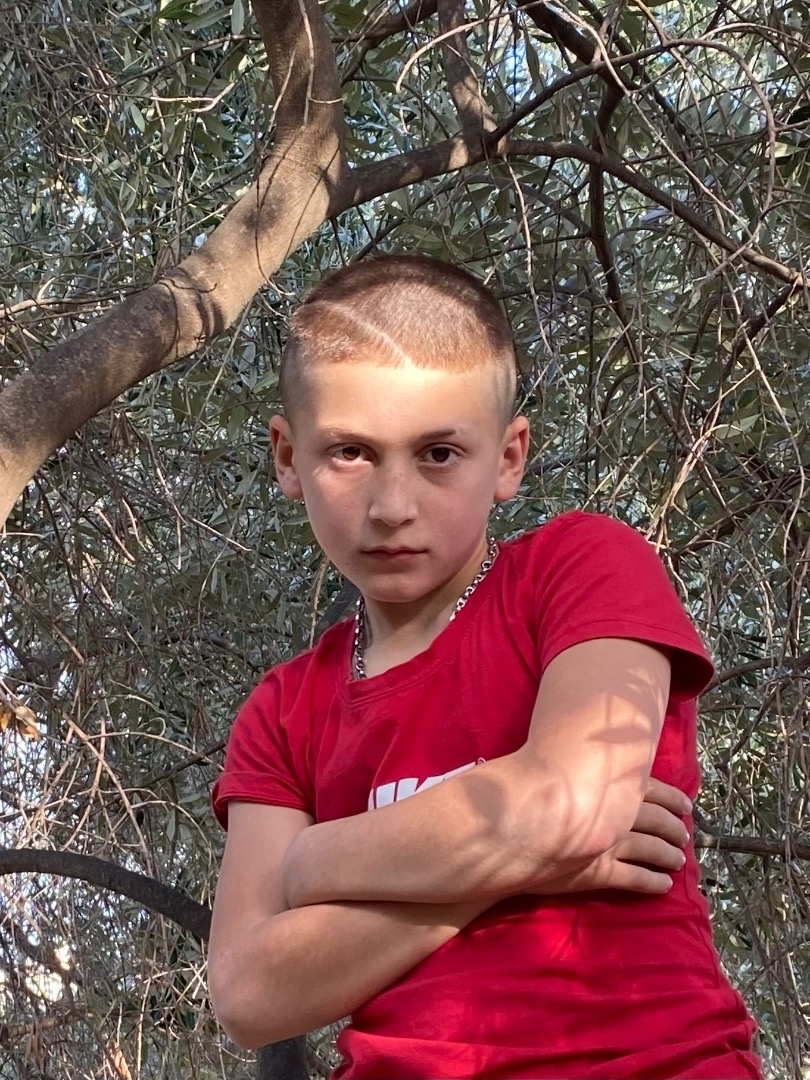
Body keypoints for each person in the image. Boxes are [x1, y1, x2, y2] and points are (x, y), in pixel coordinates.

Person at [208, 255, 762, 1079]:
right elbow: (249, 993)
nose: (393, 506)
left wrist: (312, 862)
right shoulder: (285, 709)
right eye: (351, 452)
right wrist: (526, 862)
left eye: (438, 453)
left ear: (508, 457)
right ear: (288, 457)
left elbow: (569, 806)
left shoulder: (582, 569)